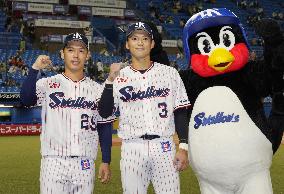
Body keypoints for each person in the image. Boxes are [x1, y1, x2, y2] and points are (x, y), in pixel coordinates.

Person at [20, 32, 120, 194]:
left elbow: (104, 126)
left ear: (87, 56)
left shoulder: (97, 89)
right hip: (53, 161)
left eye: (81, 50)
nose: (75, 55)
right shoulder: (48, 84)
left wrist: (106, 160)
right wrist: (35, 69)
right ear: (62, 53)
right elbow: (26, 99)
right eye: (71, 50)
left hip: (84, 162)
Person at [112, 22, 191, 194]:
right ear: (127, 44)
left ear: (152, 44)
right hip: (132, 147)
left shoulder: (170, 73)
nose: (140, 42)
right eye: (134, 38)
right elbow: (104, 113)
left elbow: (180, 111)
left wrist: (183, 147)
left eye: (145, 38)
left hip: (164, 146)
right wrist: (110, 81)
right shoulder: (118, 77)